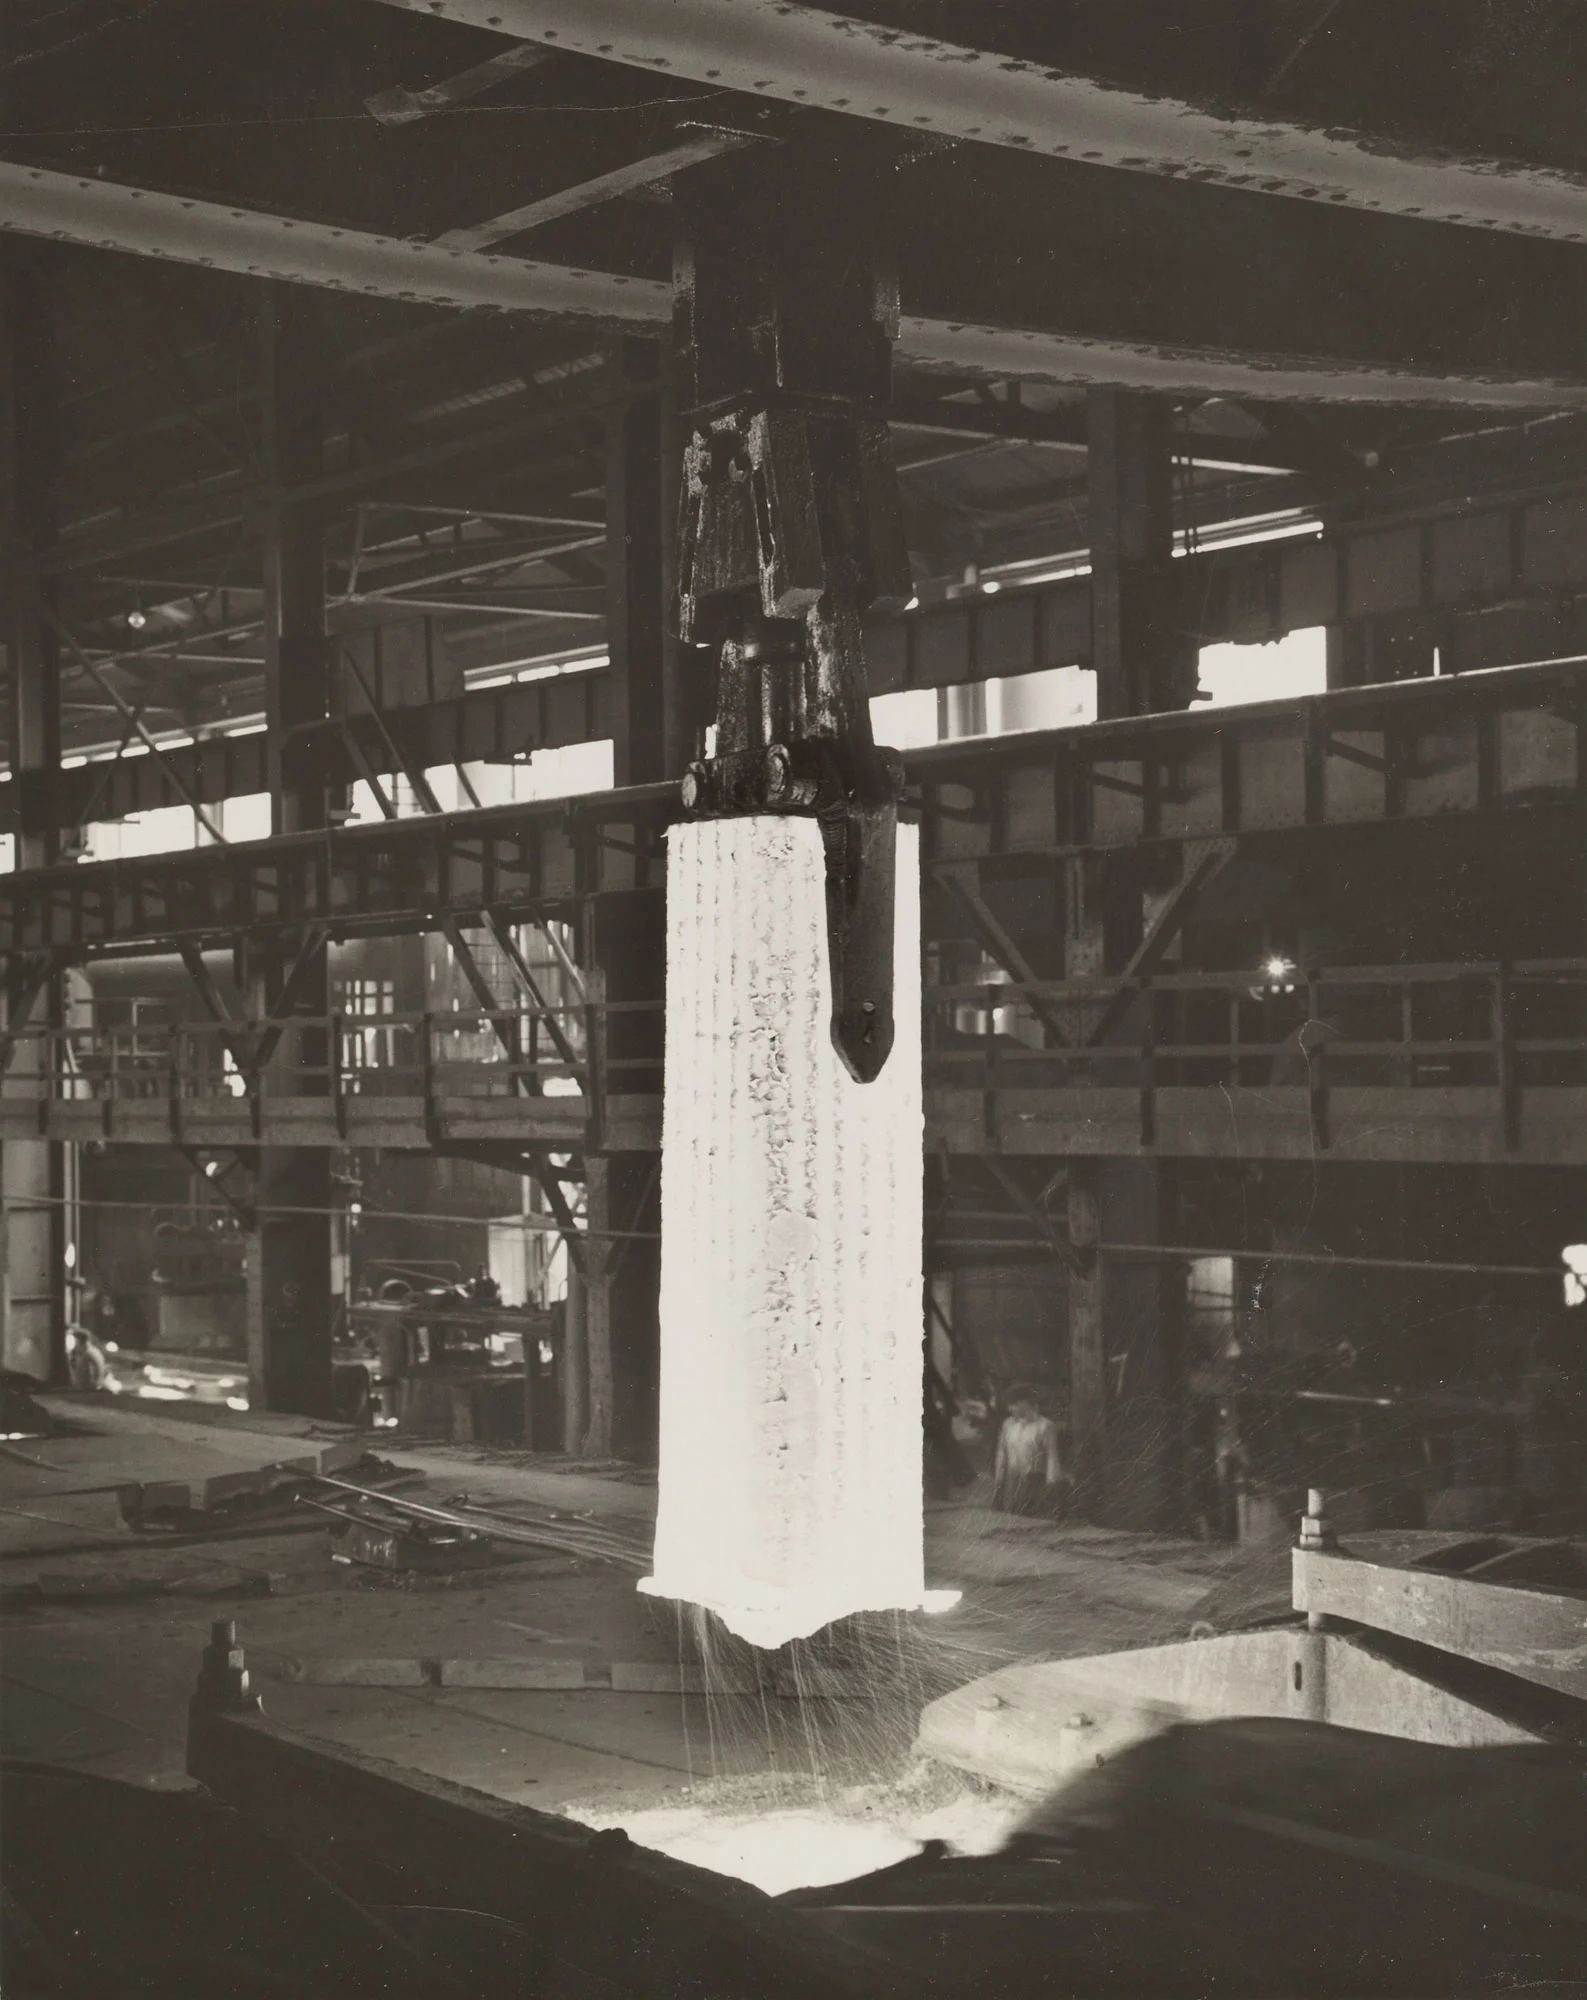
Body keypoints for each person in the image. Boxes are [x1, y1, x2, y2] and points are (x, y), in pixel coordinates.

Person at [992, 1384, 1066, 1516]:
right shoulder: (1008, 1425)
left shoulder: (1044, 1426)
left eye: (1013, 1405)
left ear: (1024, 1403)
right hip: (1012, 1482)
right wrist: (998, 1481)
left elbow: (1052, 1457)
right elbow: (1002, 1453)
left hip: (1034, 1483)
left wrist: (1051, 1485)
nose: (1010, 1409)